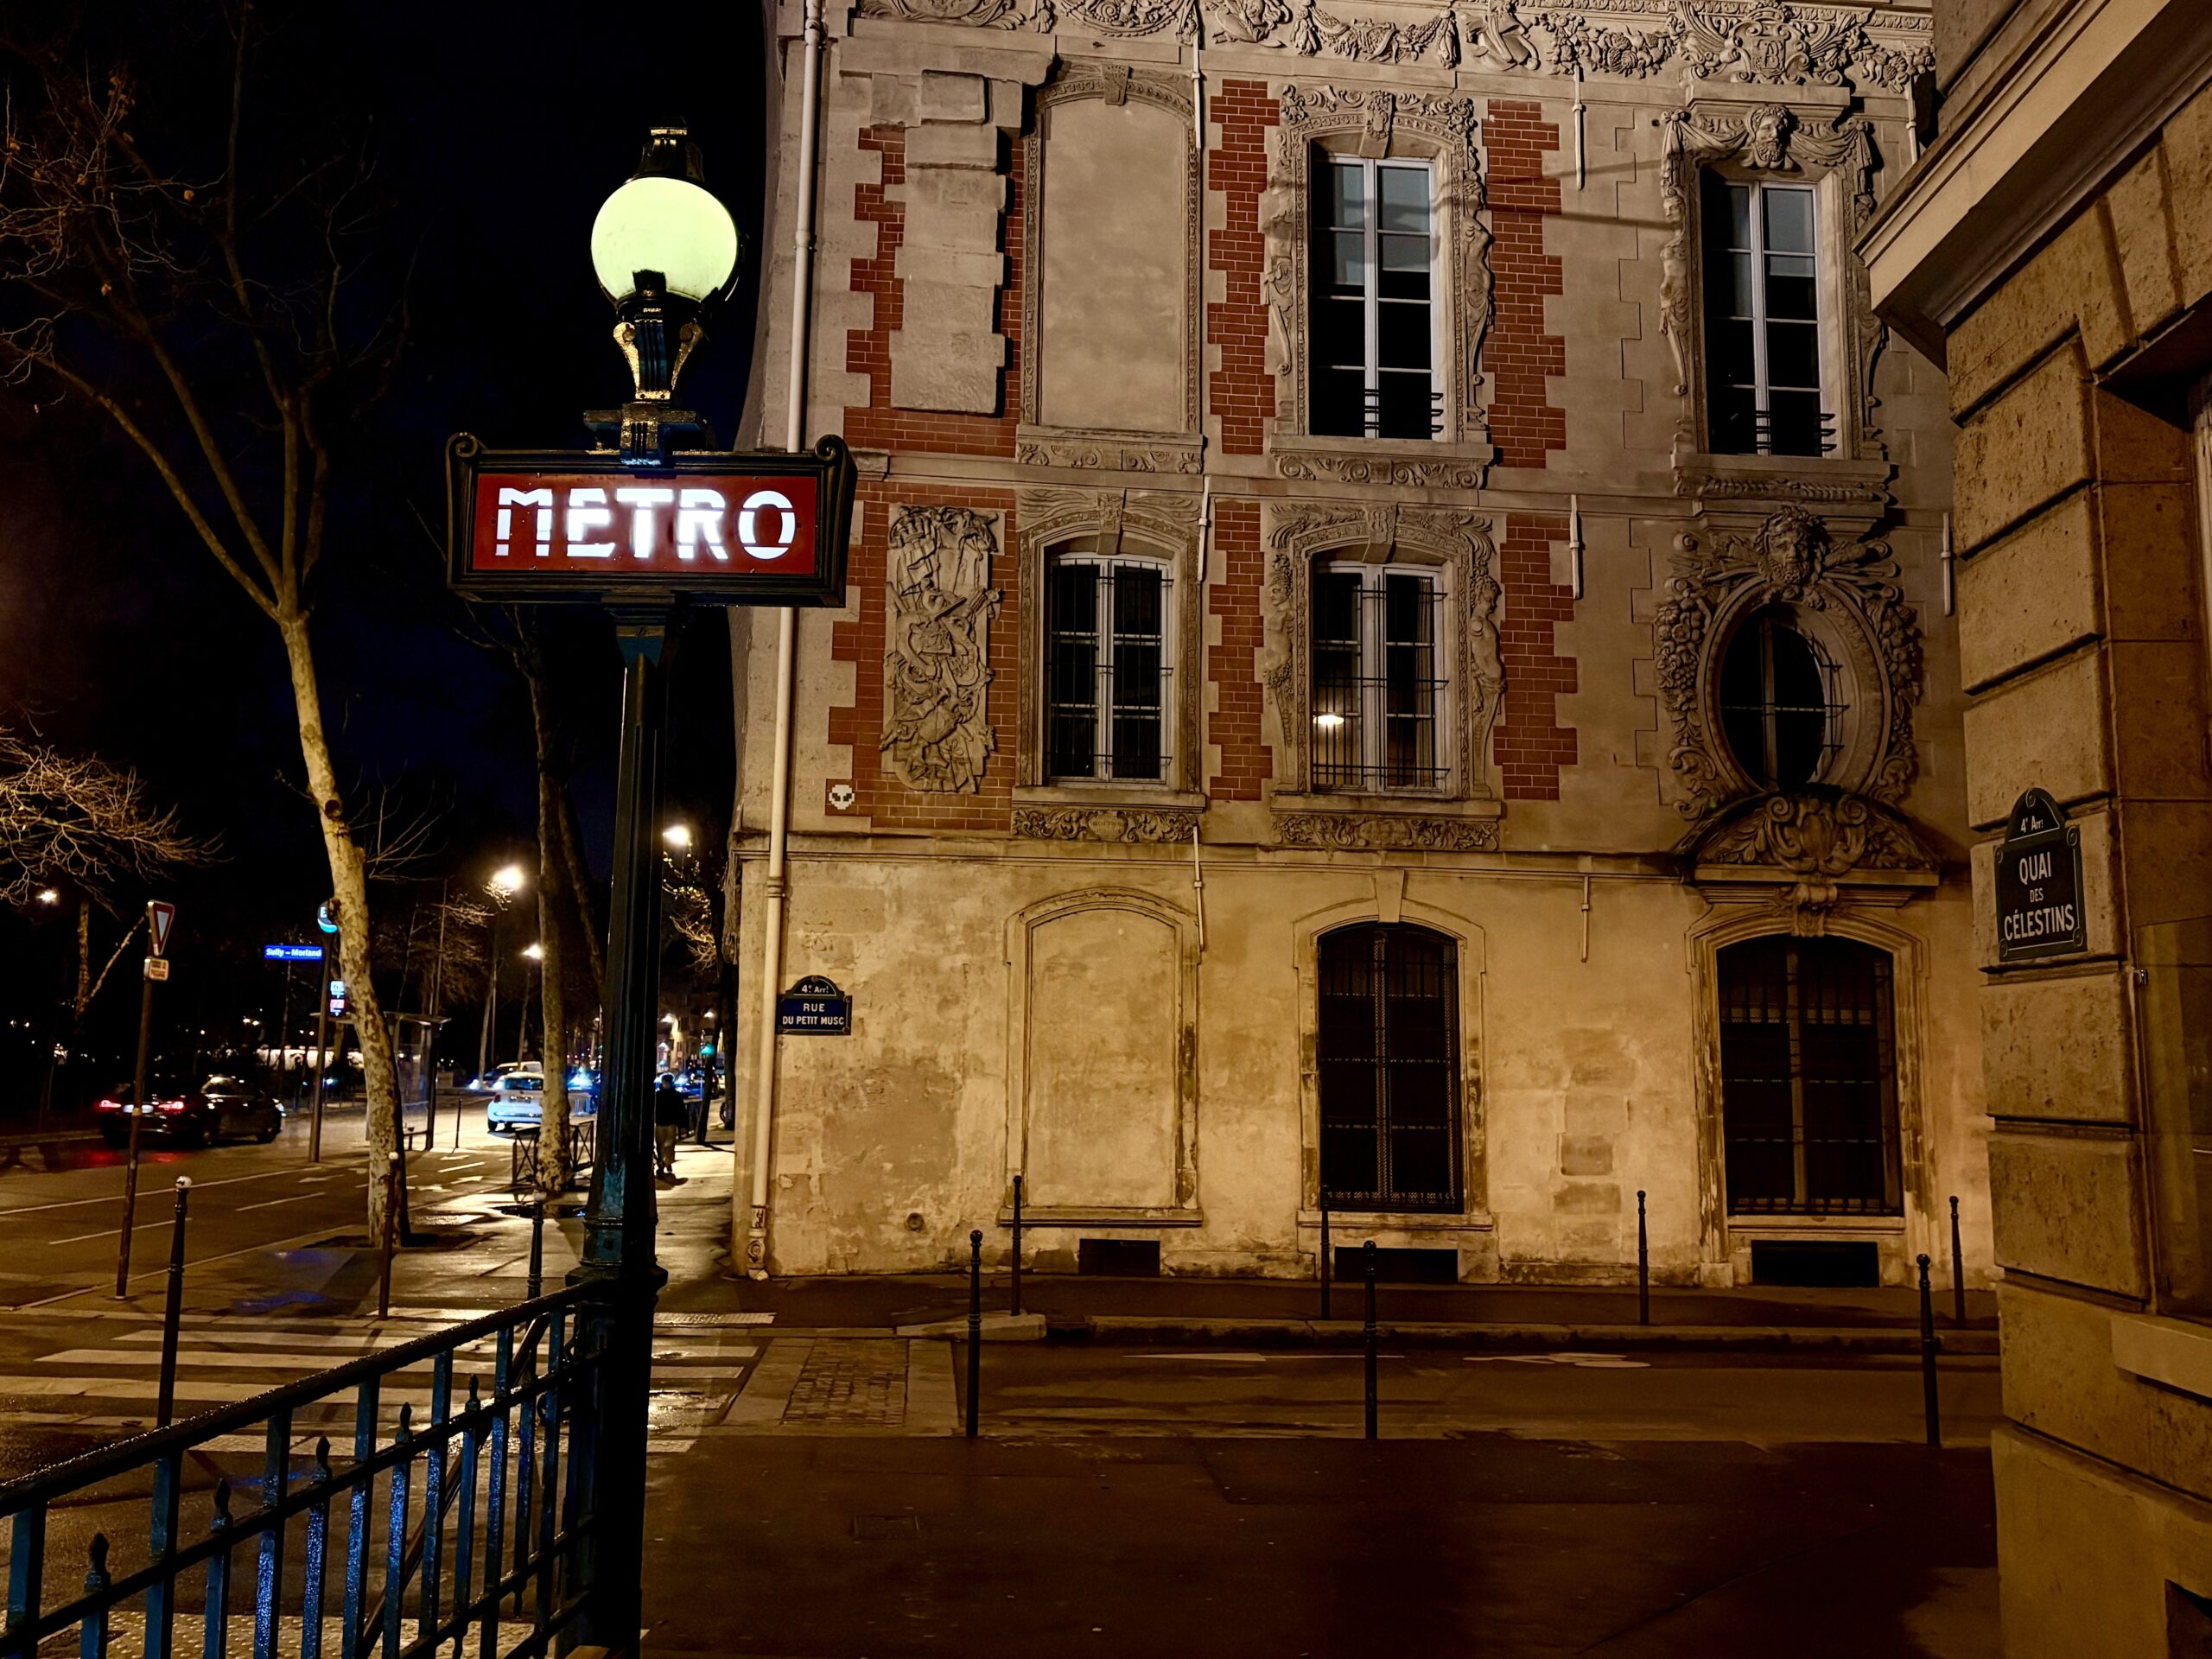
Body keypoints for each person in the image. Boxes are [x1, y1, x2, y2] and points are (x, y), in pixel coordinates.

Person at [652, 1072, 686, 1179]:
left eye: (667, 1083)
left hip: (670, 1123)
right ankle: (663, 1163)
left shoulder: (676, 1095)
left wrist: (682, 1124)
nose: (666, 1084)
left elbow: (681, 1111)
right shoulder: (657, 1095)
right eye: (664, 1082)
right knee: (660, 1146)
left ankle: (667, 1162)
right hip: (660, 1123)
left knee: (669, 1145)